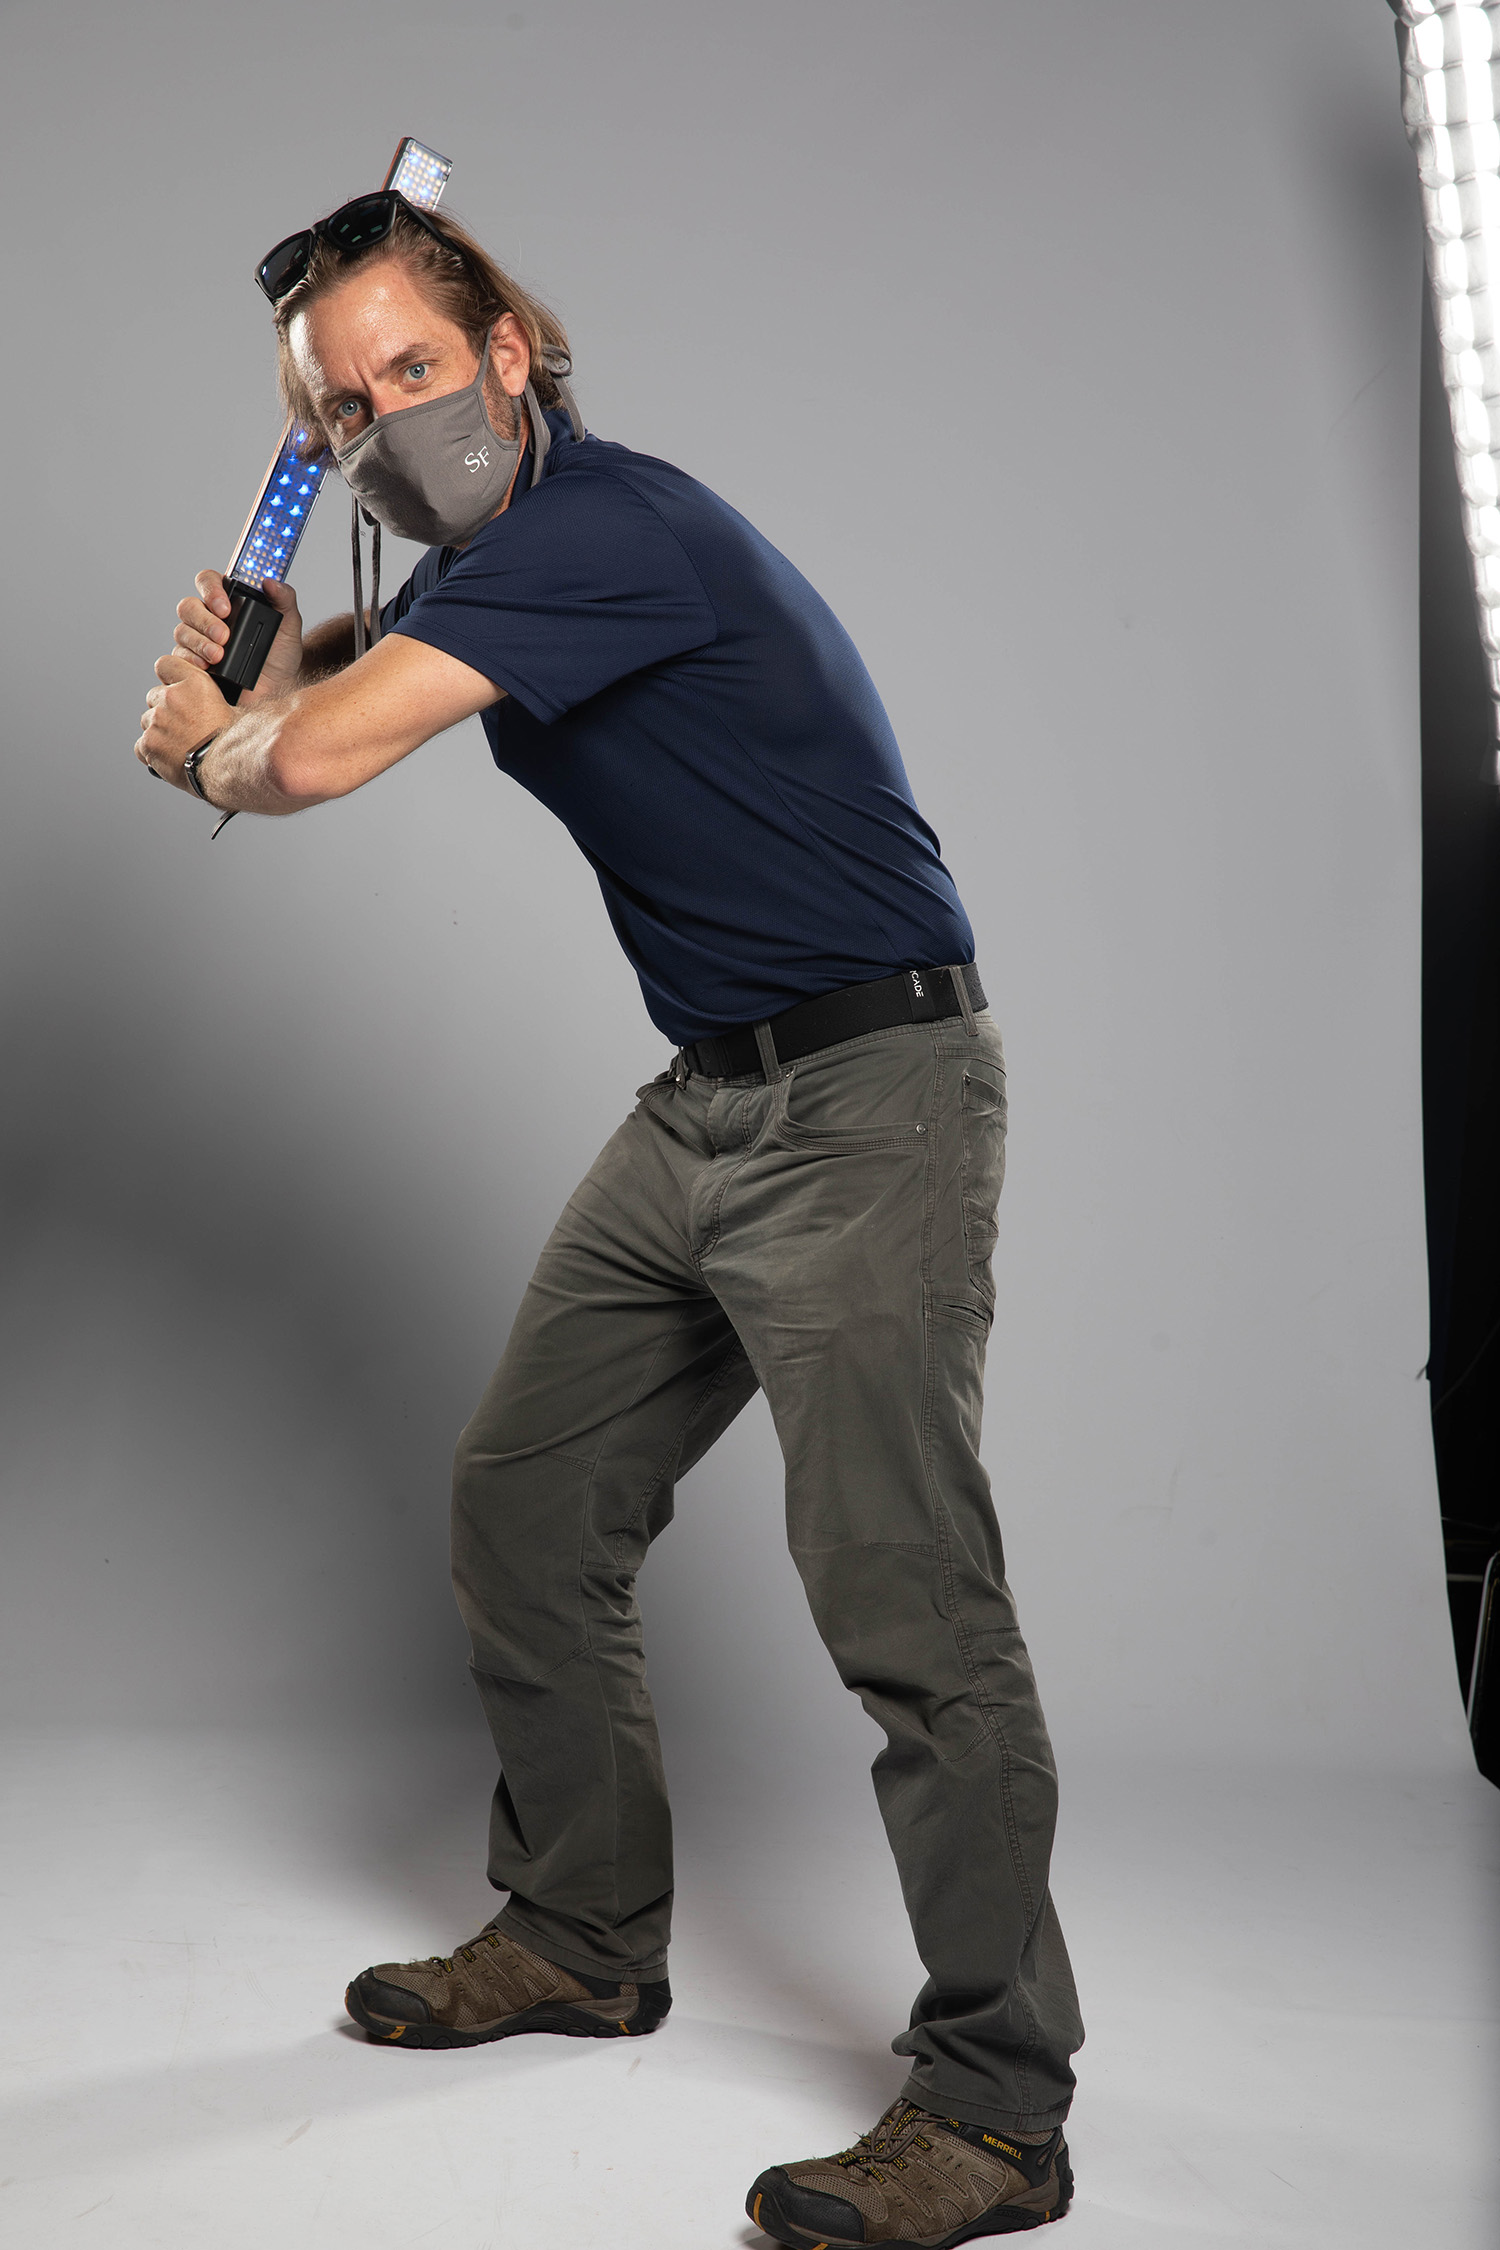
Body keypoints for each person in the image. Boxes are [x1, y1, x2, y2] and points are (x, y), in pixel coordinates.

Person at [137, 191, 1084, 2246]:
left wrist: (222, 748)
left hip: (874, 1093)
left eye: (415, 366)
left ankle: (1001, 2112)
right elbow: (334, 674)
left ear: (509, 346)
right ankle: (582, 1934)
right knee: (526, 1505)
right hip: (711, 1102)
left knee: (907, 1608)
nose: (395, 414)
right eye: (343, 403)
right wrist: (255, 666)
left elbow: (328, 757)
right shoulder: (502, 564)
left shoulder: (602, 531)